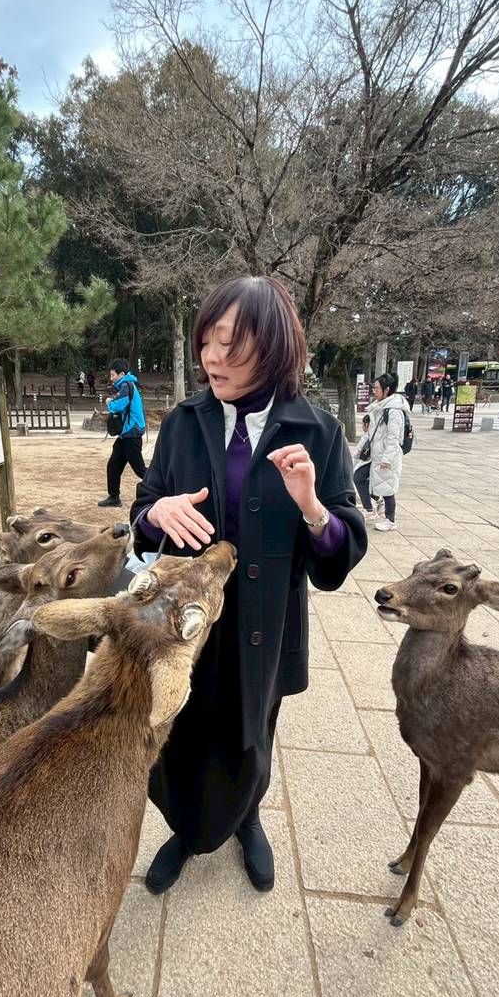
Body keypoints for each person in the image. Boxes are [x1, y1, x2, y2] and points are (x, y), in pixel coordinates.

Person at [131, 275, 367, 894]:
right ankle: (186, 829)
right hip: (184, 622)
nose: (211, 357)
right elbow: (144, 506)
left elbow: (340, 550)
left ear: (273, 346)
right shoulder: (184, 422)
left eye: (229, 343)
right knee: (179, 731)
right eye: (206, 341)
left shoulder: (318, 432)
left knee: (252, 731)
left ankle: (248, 818)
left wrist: (312, 507)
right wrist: (156, 513)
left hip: (267, 622)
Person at [352, 373, 411, 533]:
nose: (374, 391)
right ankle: (370, 509)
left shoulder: (394, 411)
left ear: (387, 390)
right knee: (358, 477)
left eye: (377, 388)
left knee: (387, 487)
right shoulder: (378, 408)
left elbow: (394, 438)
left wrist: (387, 459)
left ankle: (390, 520)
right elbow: (369, 434)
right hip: (375, 454)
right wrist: (359, 450)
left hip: (387, 456)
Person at [97, 359, 147, 508]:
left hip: (131, 434)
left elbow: (117, 405)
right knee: (113, 465)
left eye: (113, 375)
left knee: (140, 469)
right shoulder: (127, 386)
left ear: (122, 374)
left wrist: (109, 402)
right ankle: (114, 497)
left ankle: (165, 487)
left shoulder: (126, 386)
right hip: (126, 435)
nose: (111, 378)